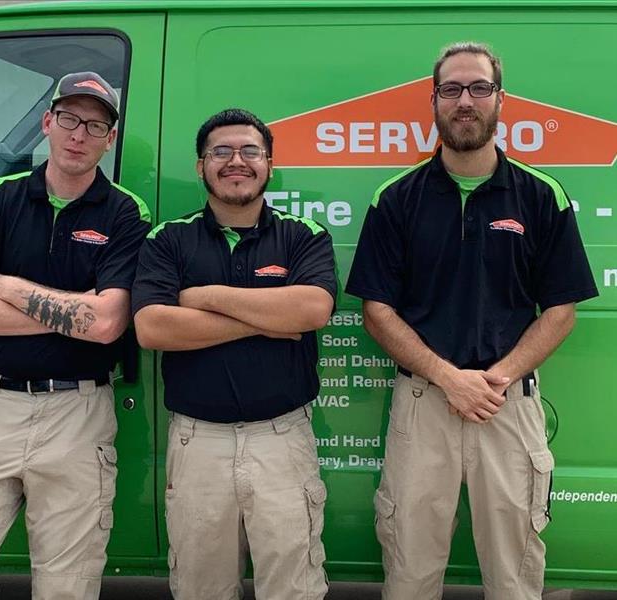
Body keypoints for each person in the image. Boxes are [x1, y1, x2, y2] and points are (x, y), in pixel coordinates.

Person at [346, 42, 598, 600]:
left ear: (500, 99)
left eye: (479, 88)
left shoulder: (541, 196)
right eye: (453, 89)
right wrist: (448, 377)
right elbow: (376, 311)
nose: (466, 101)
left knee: (514, 575)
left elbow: (561, 311)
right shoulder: (396, 199)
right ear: (433, 101)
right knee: (410, 571)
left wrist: (496, 378)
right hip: (423, 405)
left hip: (507, 403)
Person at [0, 71, 151, 600]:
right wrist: (74, 311)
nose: (80, 134)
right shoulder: (0, 197)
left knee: (67, 586)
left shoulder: (125, 211)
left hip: (77, 415)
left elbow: (108, 325)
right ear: (48, 122)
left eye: (95, 125)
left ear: (110, 139)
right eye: (70, 119)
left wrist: (5, 287)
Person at [132, 108, 336, 600]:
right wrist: (267, 320)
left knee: (293, 589)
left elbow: (310, 309)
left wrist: (201, 297)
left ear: (269, 163)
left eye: (249, 151)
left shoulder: (302, 234)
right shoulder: (167, 239)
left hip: (282, 438)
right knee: (201, 588)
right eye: (220, 152)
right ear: (201, 165)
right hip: (197, 442)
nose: (235, 162)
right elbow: (152, 326)